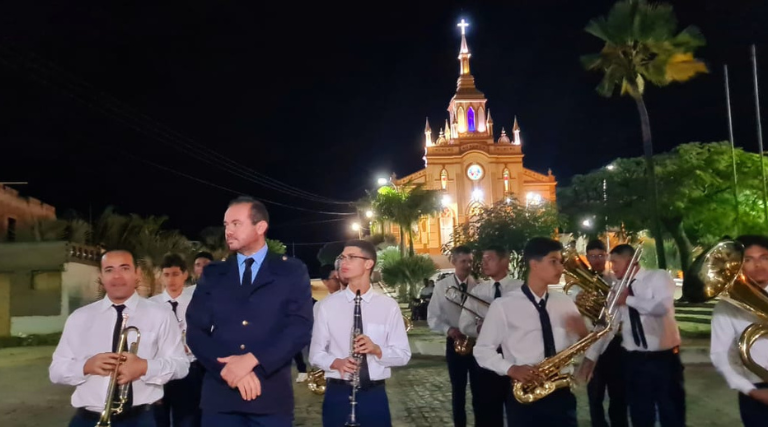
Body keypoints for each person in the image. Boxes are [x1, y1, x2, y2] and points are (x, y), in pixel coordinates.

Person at [186, 196, 313, 426]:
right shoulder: (214, 274)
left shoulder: (291, 271)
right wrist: (227, 369)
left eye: (236, 224)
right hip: (221, 399)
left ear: (260, 227)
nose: (228, 231)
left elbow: (299, 327)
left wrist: (254, 359)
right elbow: (195, 330)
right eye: (226, 225)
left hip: (270, 397)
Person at [50, 249, 189, 427]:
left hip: (140, 418)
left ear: (137, 274)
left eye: (124, 268)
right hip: (87, 419)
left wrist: (144, 367)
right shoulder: (79, 317)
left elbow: (181, 365)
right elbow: (56, 371)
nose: (117, 276)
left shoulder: (160, 314)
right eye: (109, 270)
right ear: (101, 276)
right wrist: (85, 366)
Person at [475, 237, 587, 427]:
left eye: (560, 262)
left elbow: (580, 343)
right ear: (534, 264)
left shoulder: (565, 302)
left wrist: (583, 332)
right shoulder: (503, 306)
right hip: (526, 396)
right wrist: (511, 369)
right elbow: (482, 350)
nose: (560, 268)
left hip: (561, 394)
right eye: (553, 261)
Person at [309, 240, 411, 427]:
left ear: (368, 263)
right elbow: (315, 354)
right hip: (337, 394)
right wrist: (335, 362)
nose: (342, 262)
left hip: (374, 395)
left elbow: (403, 355)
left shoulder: (388, 307)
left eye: (351, 257)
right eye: (341, 258)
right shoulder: (326, 306)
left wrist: (377, 350)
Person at [583, 244, 684, 427]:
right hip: (633, 360)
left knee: (671, 412)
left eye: (615, 262)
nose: (611, 266)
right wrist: (591, 358)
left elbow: (661, 308)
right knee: (640, 414)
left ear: (630, 261)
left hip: (664, 359)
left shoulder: (658, 277)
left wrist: (627, 300)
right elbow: (609, 326)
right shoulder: (616, 288)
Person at [458, 245, 523, 427]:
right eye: (483, 259)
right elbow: (465, 324)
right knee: (485, 409)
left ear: (505, 261)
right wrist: (482, 330)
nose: (484, 263)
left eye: (490, 259)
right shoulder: (478, 291)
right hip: (485, 357)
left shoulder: (519, 289)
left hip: (514, 356)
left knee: (518, 407)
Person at [711, 235, 768, 426]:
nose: (758, 265)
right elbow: (720, 355)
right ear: (738, 265)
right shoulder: (726, 308)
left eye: (764, 257)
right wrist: (751, 390)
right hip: (758, 392)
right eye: (749, 260)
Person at [427, 245, 479, 427]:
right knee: (458, 390)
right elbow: (433, 316)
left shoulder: (478, 286)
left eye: (470, 261)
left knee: (479, 390)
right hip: (455, 342)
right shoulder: (442, 287)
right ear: (454, 262)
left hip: (476, 343)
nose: (468, 265)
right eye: (463, 261)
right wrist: (449, 330)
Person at [150, 253, 203, 427]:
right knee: (159, 420)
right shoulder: (151, 306)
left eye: (175, 274)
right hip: (161, 370)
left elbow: (207, 333)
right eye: (166, 275)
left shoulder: (196, 303)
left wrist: (193, 347)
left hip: (189, 369)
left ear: (185, 275)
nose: (171, 280)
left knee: (188, 420)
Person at [583, 239, 628, 427]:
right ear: (587, 258)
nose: (596, 260)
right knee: (595, 394)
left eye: (600, 255)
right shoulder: (579, 283)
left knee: (619, 393)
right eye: (592, 256)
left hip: (616, 343)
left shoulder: (615, 279)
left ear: (606, 255)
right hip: (592, 340)